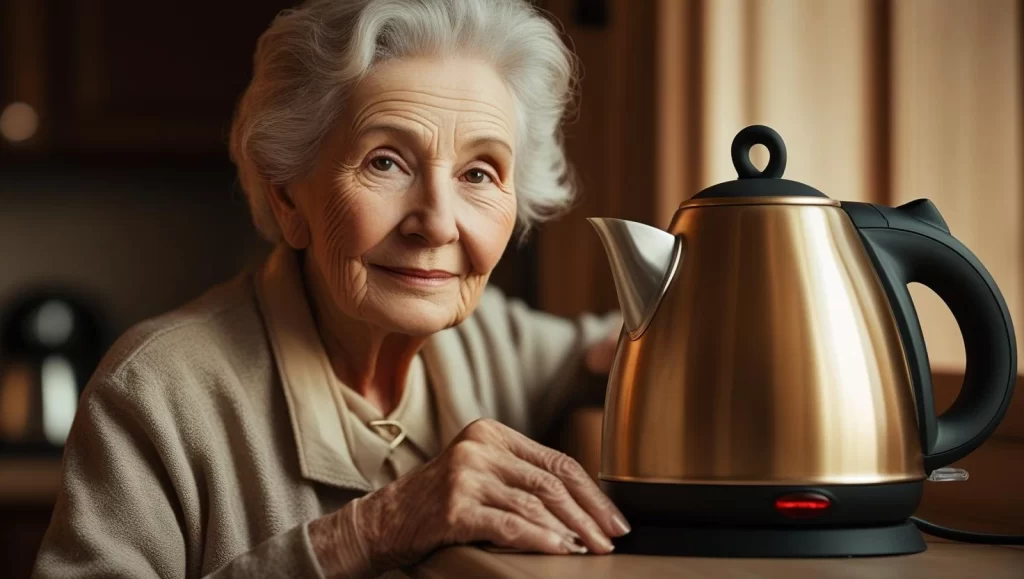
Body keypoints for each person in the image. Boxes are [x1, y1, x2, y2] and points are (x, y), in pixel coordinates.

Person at [31, 1, 628, 577]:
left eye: (479, 173)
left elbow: (624, 343)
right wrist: (370, 531)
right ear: (288, 195)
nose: (439, 223)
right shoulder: (156, 393)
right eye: (386, 162)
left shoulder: (491, 339)